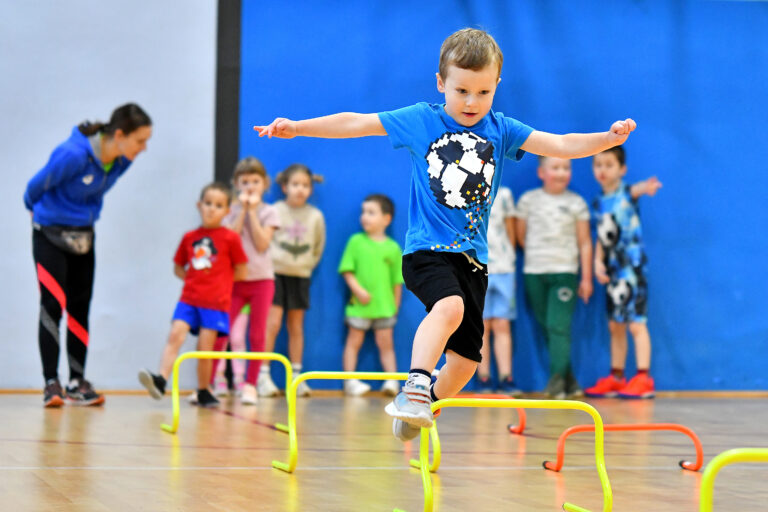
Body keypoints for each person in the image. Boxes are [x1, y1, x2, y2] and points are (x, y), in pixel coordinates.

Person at [254, 27, 636, 440]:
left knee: (467, 363)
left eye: (483, 92)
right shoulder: (422, 120)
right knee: (450, 307)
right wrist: (298, 127)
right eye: (462, 91)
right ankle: (415, 386)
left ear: (496, 87)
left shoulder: (502, 129)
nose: (472, 103)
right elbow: (357, 122)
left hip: (474, 260)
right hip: (426, 252)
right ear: (441, 83)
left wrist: (606, 139)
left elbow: (560, 144)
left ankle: (422, 406)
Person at [24, 103, 152, 407]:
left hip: (84, 236)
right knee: (53, 305)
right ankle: (51, 383)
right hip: (50, 235)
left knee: (80, 307)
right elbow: (33, 190)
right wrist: (42, 218)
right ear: (119, 134)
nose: (144, 148)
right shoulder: (73, 155)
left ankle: (77, 382)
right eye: (140, 141)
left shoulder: (122, 160)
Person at [138, 183, 248, 408]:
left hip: (215, 303)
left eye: (218, 206)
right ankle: (160, 380)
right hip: (189, 300)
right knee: (175, 335)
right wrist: (194, 280)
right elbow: (178, 267)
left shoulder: (230, 239)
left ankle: (203, 389)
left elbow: (242, 271)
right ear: (199, 205)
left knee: (204, 349)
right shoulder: (190, 237)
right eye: (207, 203)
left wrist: (220, 284)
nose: (211, 209)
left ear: (227, 211)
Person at [585, 146, 662, 399]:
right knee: (615, 324)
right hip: (613, 272)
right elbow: (601, 237)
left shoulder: (627, 194)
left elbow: (636, 189)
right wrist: (598, 262)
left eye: (609, 165)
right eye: (598, 164)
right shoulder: (598, 202)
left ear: (622, 169)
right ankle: (617, 377)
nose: (603, 170)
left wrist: (646, 187)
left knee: (636, 324)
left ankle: (643, 377)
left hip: (633, 268)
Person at [516, 156, 593, 399]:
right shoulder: (528, 200)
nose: (561, 173)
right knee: (548, 327)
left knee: (558, 327)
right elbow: (520, 236)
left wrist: (587, 278)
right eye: (555, 168)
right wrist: (538, 256)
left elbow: (585, 242)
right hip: (535, 272)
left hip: (565, 272)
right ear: (542, 172)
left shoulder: (576, 203)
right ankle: (570, 382)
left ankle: (557, 384)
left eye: (566, 168)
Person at [209, 157, 280, 405]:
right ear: (236, 184)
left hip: (262, 281)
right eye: (245, 181)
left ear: (265, 184)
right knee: (221, 331)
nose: (250, 186)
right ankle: (211, 382)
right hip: (235, 281)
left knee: (257, 334)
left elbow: (262, 244)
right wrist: (241, 212)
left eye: (255, 181)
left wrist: (252, 211)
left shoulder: (270, 212)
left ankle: (250, 385)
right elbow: (231, 241)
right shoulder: (230, 211)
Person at [257, 164, 325, 398]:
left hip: (301, 276)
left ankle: (296, 377)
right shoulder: (275, 210)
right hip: (274, 275)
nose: (300, 190)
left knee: (296, 326)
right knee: (272, 324)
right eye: (295, 185)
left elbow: (318, 248)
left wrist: (304, 266)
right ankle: (262, 375)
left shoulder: (315, 216)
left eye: (305, 185)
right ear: (285, 186)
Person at [338, 194, 403, 397]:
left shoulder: (393, 248)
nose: (365, 217)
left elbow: (397, 282)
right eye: (363, 212)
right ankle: (349, 381)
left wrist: (395, 307)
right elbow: (347, 270)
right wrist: (358, 290)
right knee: (353, 341)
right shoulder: (356, 242)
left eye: (371, 212)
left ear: (386, 219)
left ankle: (391, 380)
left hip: (384, 308)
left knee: (386, 344)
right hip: (359, 306)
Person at [477, 185, 521, 396]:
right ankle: (483, 378)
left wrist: (510, 264)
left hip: (504, 269)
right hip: (477, 268)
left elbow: (510, 232)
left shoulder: (504, 194)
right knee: (481, 326)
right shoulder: (464, 191)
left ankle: (506, 377)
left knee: (502, 324)